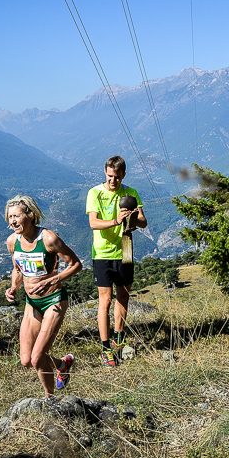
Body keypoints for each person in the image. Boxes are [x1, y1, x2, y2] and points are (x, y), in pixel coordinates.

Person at [4, 195, 81, 397]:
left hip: (54, 300)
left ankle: (49, 399)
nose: (13, 221)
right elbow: (17, 269)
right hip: (32, 303)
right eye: (10, 217)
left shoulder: (48, 238)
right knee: (26, 360)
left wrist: (53, 280)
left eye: (17, 216)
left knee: (38, 358)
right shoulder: (12, 241)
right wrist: (13, 288)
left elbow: (75, 264)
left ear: (31, 215)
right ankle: (62, 364)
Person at [86, 156, 147, 367]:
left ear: (124, 175)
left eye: (118, 177)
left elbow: (144, 222)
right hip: (102, 253)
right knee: (105, 300)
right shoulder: (95, 193)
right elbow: (93, 223)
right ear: (105, 172)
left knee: (124, 296)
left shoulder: (131, 193)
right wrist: (116, 220)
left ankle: (118, 340)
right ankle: (105, 349)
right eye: (110, 176)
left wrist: (133, 217)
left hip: (125, 249)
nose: (113, 181)